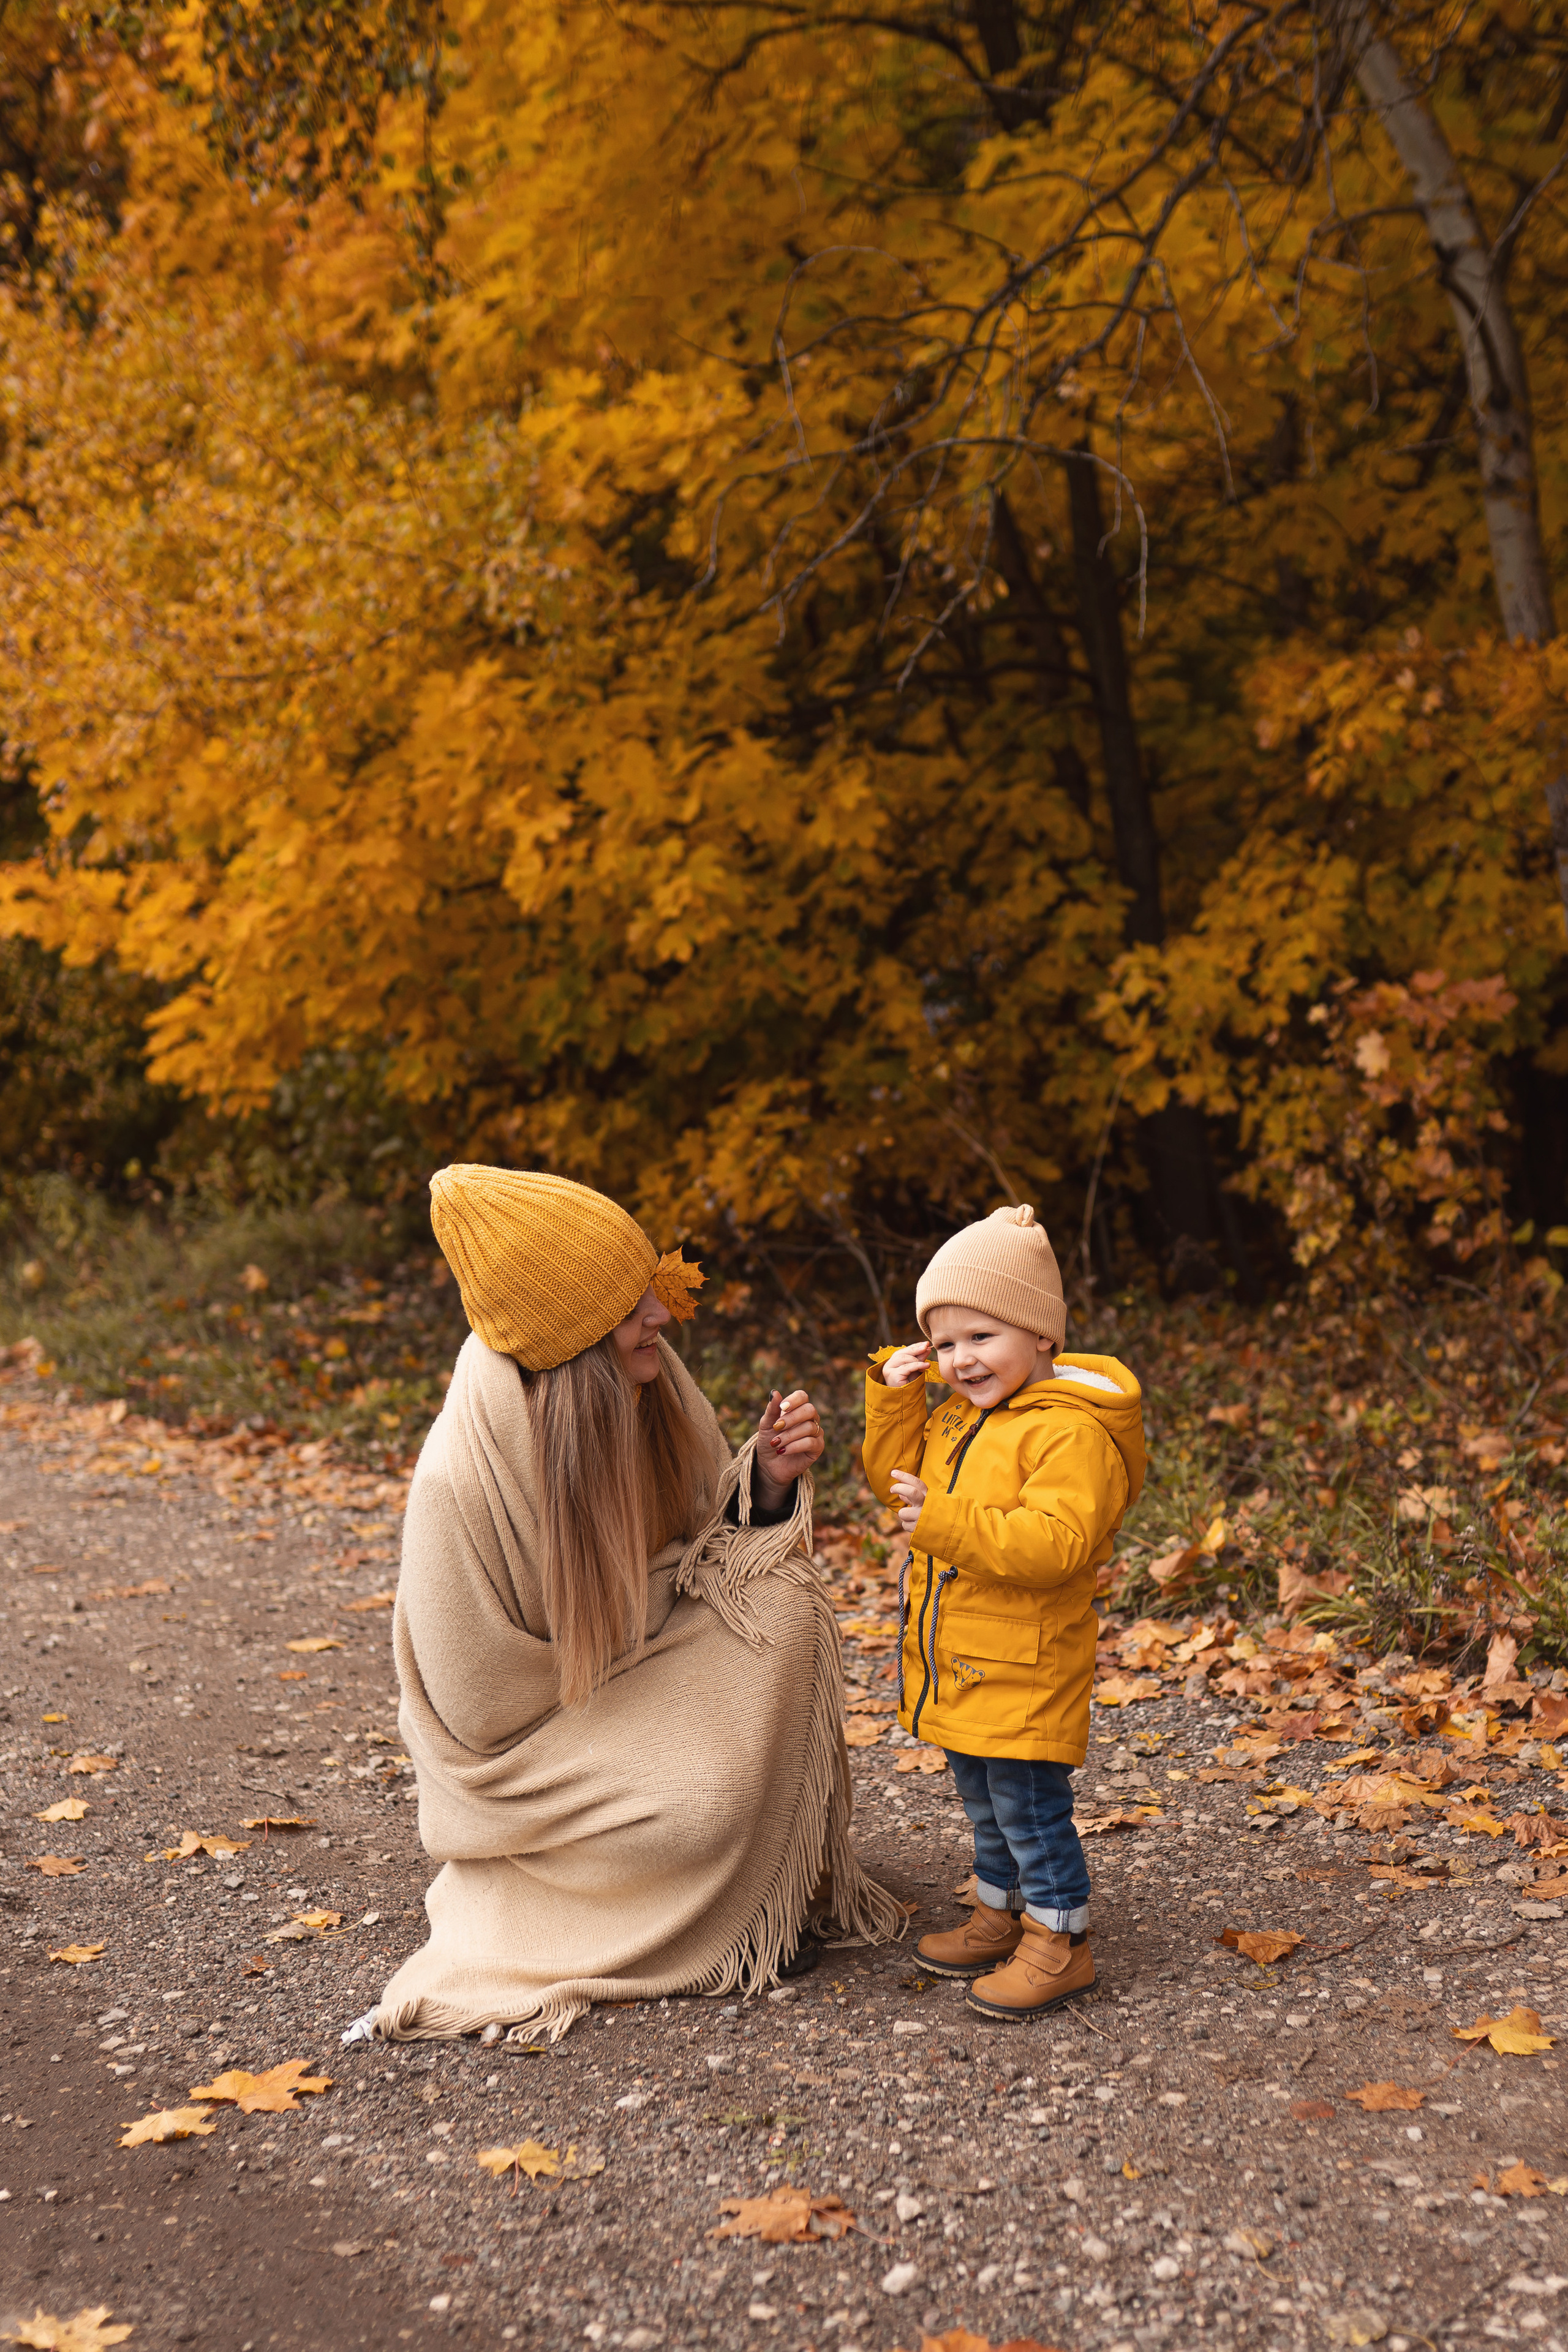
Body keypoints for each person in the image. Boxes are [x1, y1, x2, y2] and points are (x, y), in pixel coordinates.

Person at [355, 1164, 899, 2048]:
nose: (661, 1315)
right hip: (527, 1761)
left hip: (630, 1674)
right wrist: (651, 1717)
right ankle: (677, 1899)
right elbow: (482, 1713)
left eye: (651, 1290)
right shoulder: (461, 1483)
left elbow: (706, 1560)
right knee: (701, 1806)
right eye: (631, 1303)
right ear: (568, 1335)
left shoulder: (654, 1392)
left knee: (784, 1606)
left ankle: (754, 1885)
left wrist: (761, 1484)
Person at [861, 1204, 1145, 2019]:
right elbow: (895, 1482)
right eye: (944, 1344)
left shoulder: (1068, 1435)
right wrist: (894, 1405)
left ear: (1042, 1336)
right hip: (968, 1662)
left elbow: (1057, 1545)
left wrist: (944, 1524)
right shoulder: (959, 1418)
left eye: (981, 1337)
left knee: (1029, 1805)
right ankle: (1001, 1911)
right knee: (983, 1796)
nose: (961, 1360)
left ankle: (1061, 1942)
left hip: (1026, 1663)